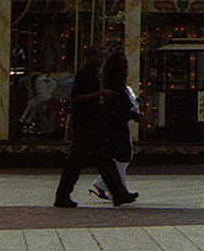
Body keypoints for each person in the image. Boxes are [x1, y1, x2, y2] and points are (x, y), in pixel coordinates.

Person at [54, 45, 135, 208]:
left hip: (92, 124)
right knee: (77, 161)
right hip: (84, 124)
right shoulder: (84, 74)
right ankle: (62, 195)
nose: (101, 59)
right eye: (98, 56)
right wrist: (99, 94)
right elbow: (75, 97)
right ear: (90, 56)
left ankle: (119, 193)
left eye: (103, 56)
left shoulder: (94, 74)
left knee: (103, 158)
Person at [90, 51, 141, 202]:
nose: (125, 67)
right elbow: (118, 105)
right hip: (115, 124)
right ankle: (116, 189)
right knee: (121, 155)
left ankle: (110, 187)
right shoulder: (114, 84)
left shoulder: (114, 83)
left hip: (115, 123)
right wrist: (131, 114)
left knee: (119, 156)